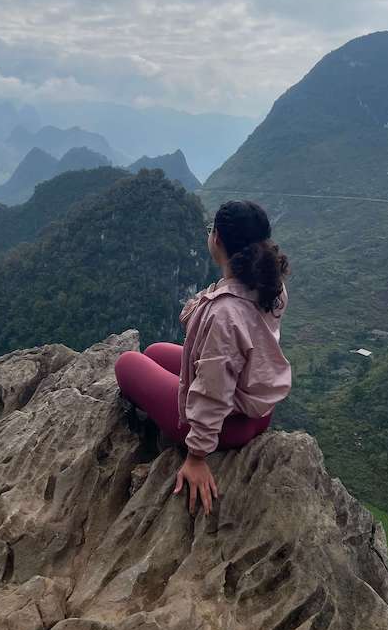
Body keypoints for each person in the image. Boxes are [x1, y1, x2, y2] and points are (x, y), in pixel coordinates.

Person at [114, 199, 291, 517]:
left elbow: (213, 389)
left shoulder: (223, 314)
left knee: (127, 362)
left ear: (217, 239)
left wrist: (197, 457)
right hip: (257, 410)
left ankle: (192, 440)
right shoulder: (269, 286)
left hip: (227, 427)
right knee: (154, 352)